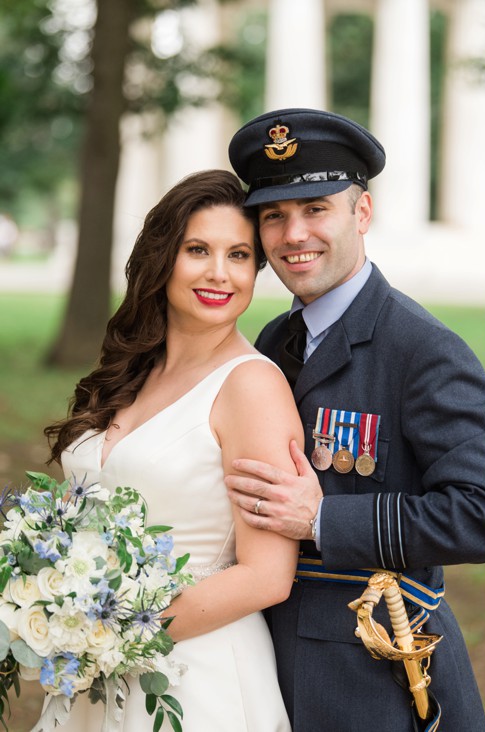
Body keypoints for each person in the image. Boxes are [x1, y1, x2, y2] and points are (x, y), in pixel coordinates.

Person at [223, 108, 485, 731]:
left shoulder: (423, 348)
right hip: (262, 658)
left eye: (316, 208)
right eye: (274, 216)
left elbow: (481, 513)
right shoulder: (271, 338)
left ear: (361, 213)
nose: (294, 234)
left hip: (368, 676)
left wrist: (319, 519)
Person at [43, 170, 302, 730]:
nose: (218, 273)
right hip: (90, 668)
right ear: (162, 259)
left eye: (239, 255)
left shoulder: (252, 386)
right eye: (197, 250)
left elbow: (267, 575)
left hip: (194, 678)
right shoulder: (130, 369)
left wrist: (114, 632)